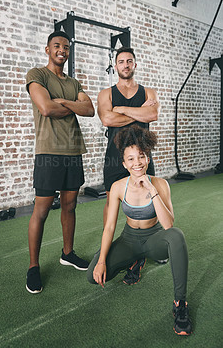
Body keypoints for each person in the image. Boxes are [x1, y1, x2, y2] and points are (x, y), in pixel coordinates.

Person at [87, 125, 192, 336]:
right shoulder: (118, 187)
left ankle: (180, 304)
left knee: (177, 236)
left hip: (154, 241)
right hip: (129, 240)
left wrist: (152, 191)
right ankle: (134, 261)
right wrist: (100, 262)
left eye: (141, 157)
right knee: (92, 276)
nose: (137, 163)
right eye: (131, 159)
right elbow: (109, 227)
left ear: (148, 159)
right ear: (124, 164)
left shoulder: (161, 184)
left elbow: (168, 225)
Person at [25, 30, 95, 294]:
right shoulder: (37, 75)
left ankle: (68, 253)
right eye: (57, 46)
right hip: (48, 152)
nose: (62, 51)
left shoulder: (74, 83)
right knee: (41, 211)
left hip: (73, 151)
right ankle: (33, 266)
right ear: (47, 49)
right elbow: (45, 108)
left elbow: (89, 110)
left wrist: (63, 101)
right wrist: (71, 105)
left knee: (70, 206)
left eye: (66, 47)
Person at [97, 46, 161, 284]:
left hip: (142, 156)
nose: (125, 65)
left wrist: (122, 110)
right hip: (115, 157)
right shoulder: (106, 94)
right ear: (116, 66)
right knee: (111, 203)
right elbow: (107, 118)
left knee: (147, 203)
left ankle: (141, 254)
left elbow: (153, 115)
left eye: (129, 61)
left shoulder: (148, 91)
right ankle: (110, 250)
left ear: (135, 64)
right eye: (121, 61)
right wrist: (139, 113)